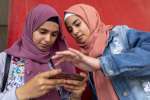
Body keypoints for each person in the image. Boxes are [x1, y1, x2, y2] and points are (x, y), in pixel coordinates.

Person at [52, 3, 150, 100]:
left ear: (90, 18)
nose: (75, 32)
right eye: (70, 30)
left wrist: (101, 64)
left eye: (77, 24)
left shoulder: (120, 35)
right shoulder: (86, 60)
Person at [0, 4, 87, 100]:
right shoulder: (5, 60)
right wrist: (21, 93)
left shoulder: (58, 61)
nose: (48, 39)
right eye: (43, 32)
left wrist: (75, 96)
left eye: (54, 34)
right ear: (30, 28)